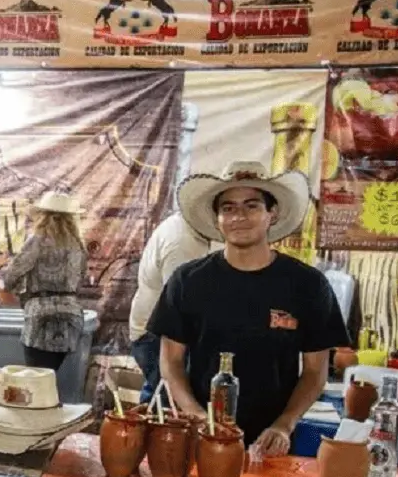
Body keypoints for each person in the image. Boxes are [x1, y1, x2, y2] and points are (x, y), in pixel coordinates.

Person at [147, 161, 350, 454]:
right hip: (201, 438)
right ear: (217, 219)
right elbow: (171, 361)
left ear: (272, 214)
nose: (238, 216)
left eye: (251, 206)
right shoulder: (188, 281)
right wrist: (196, 415)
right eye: (227, 208)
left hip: (271, 443)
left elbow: (315, 371)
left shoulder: (307, 285)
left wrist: (285, 423)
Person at [0, 190, 88, 372]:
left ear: (42, 215)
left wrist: (0, 277)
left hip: (40, 316)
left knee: (36, 377)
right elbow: (80, 280)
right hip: (71, 316)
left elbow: (10, 278)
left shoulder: (38, 240)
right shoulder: (78, 245)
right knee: (50, 376)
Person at [128, 212, 211, 402]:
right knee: (170, 410)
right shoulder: (183, 243)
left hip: (157, 332)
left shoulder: (188, 229)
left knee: (158, 402)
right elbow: (185, 308)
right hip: (160, 336)